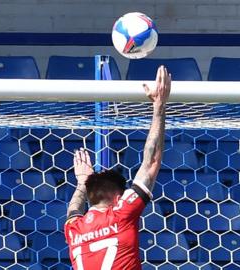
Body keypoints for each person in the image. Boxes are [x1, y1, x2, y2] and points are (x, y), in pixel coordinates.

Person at [64, 65, 171, 270]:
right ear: (117, 198)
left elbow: (73, 211)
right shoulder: (121, 213)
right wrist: (159, 106)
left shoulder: (74, 230)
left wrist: (81, 182)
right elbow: (152, 162)